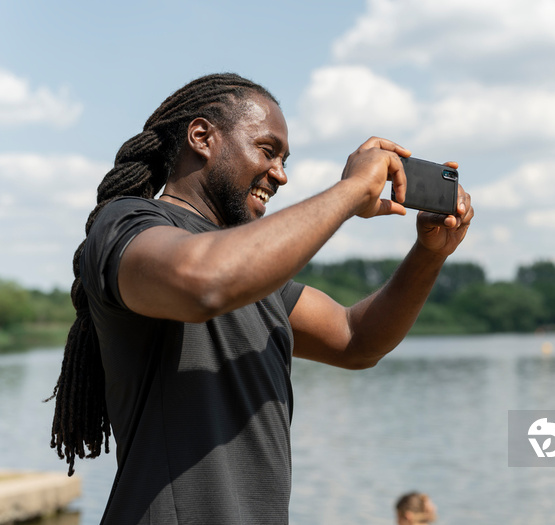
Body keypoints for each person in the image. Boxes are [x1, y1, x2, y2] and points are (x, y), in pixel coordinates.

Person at [47, 73, 473, 524]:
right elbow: (203, 282)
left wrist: (429, 254)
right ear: (201, 137)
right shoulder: (127, 224)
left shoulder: (255, 278)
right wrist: (349, 192)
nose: (281, 175)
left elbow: (356, 338)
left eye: (285, 159)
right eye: (268, 151)